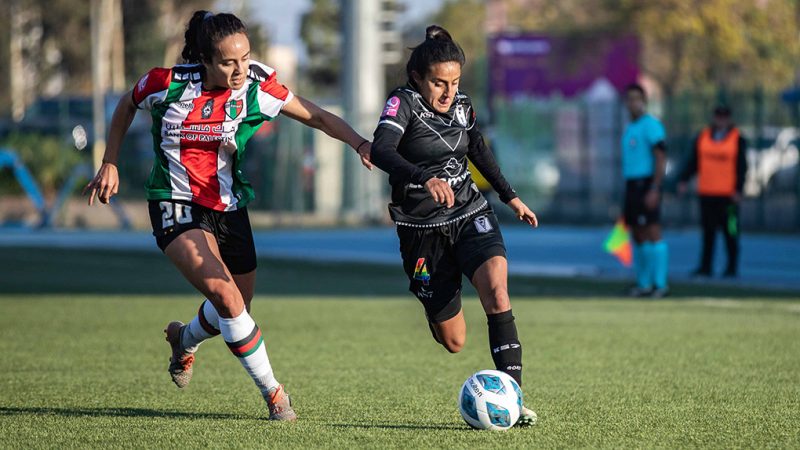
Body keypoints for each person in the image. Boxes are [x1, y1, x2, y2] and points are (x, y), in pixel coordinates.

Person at [83, 10, 372, 421]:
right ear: (204, 59)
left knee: (237, 308)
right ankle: (275, 396)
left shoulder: (258, 85)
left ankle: (184, 338)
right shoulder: (166, 83)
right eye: (228, 62)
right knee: (226, 297)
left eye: (245, 57)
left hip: (229, 206)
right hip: (175, 202)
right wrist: (109, 161)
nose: (240, 69)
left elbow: (319, 116)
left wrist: (360, 142)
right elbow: (127, 104)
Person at [369, 25, 539, 426]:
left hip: (469, 212)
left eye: (455, 82)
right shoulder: (403, 103)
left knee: (497, 290)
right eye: (438, 83)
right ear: (417, 78)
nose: (448, 93)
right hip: (420, 229)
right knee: (455, 341)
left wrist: (509, 195)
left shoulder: (461, 105)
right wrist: (423, 178)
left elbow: (477, 146)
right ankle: (435, 310)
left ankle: (513, 398)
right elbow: (381, 149)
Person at [677, 105, 748, 278]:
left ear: (729, 118)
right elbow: (694, 161)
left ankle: (731, 266)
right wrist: (684, 179)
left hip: (728, 196)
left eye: (724, 116)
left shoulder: (737, 138)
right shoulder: (703, 136)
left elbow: (742, 167)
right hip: (708, 193)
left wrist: (738, 189)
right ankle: (705, 266)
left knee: (731, 231)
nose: (721, 120)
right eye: (718, 116)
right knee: (708, 232)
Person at [621, 83, 670, 298]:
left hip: (646, 184)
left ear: (644, 101)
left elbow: (660, 156)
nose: (633, 103)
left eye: (636, 98)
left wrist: (655, 187)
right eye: (629, 98)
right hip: (632, 185)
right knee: (637, 233)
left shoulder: (651, 125)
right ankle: (644, 283)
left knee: (652, 231)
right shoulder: (631, 127)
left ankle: (660, 284)